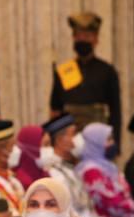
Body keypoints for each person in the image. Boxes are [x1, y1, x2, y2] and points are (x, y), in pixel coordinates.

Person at [48, 12, 122, 145]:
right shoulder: (63, 71)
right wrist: (54, 142)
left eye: (87, 36)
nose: (82, 40)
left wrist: (115, 144)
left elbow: (115, 112)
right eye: (78, 36)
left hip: (98, 140)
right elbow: (55, 110)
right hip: (69, 141)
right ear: (73, 38)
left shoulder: (107, 71)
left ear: (96, 39)